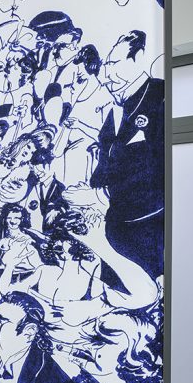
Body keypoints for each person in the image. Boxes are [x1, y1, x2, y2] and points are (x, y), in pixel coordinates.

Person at [72, 30, 165, 284]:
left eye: (114, 63)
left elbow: (161, 173)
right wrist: (93, 192)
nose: (107, 75)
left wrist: (98, 196)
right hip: (116, 225)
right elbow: (105, 161)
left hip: (146, 228)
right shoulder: (116, 108)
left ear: (139, 57)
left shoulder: (161, 95)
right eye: (107, 65)